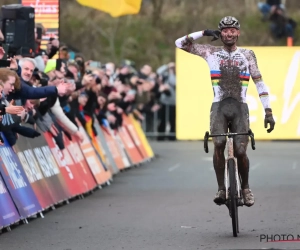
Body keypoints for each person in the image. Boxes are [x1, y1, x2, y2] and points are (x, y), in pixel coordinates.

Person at [175, 16, 275, 207]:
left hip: (240, 107)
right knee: (219, 143)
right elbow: (179, 43)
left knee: (240, 150)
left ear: (238, 32)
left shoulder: (248, 55)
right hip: (219, 106)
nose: (229, 33)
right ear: (220, 33)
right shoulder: (209, 52)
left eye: (232, 30)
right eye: (225, 30)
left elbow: (259, 82)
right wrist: (203, 32)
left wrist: (268, 111)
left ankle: (245, 188)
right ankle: (221, 188)